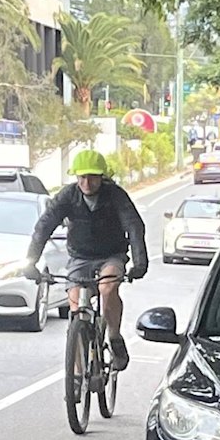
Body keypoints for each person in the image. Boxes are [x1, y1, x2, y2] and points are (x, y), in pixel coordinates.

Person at [25, 150, 148, 371]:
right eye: (81, 177)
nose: (86, 182)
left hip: (111, 254)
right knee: (75, 302)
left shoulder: (115, 195)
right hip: (80, 256)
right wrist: (31, 261)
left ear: (102, 177)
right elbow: (44, 226)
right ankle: (79, 369)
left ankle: (115, 336)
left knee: (107, 287)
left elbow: (134, 225)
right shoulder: (67, 196)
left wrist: (139, 262)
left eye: (92, 177)